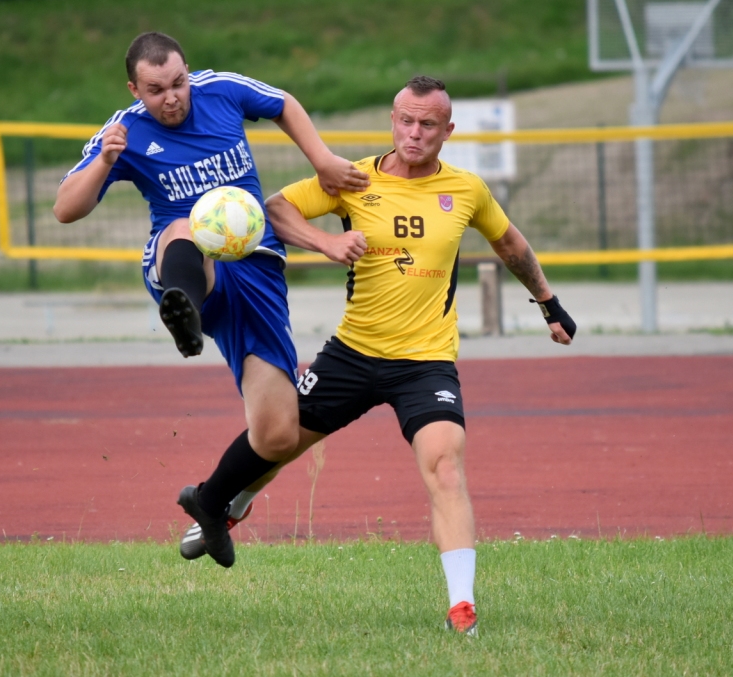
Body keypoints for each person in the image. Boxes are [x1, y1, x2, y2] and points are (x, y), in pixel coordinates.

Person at [180, 75, 576, 635]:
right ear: (393, 121)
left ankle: (462, 608)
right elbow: (273, 208)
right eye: (406, 122)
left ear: (448, 130)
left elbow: (510, 244)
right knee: (279, 438)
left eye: (429, 125)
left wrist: (549, 303)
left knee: (445, 466)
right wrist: (325, 242)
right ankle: (223, 504)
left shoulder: (466, 190)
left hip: (426, 363)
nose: (415, 134)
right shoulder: (351, 179)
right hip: (352, 354)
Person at [53, 31, 369, 568]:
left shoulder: (221, 90)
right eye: (156, 90)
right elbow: (65, 209)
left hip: (259, 271)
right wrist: (106, 160)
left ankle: (211, 502)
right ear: (135, 88)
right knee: (186, 226)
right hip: (185, 261)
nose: (171, 97)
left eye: (177, 82)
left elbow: (283, 103)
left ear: (188, 71)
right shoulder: (123, 130)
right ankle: (184, 310)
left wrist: (322, 159)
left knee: (276, 434)